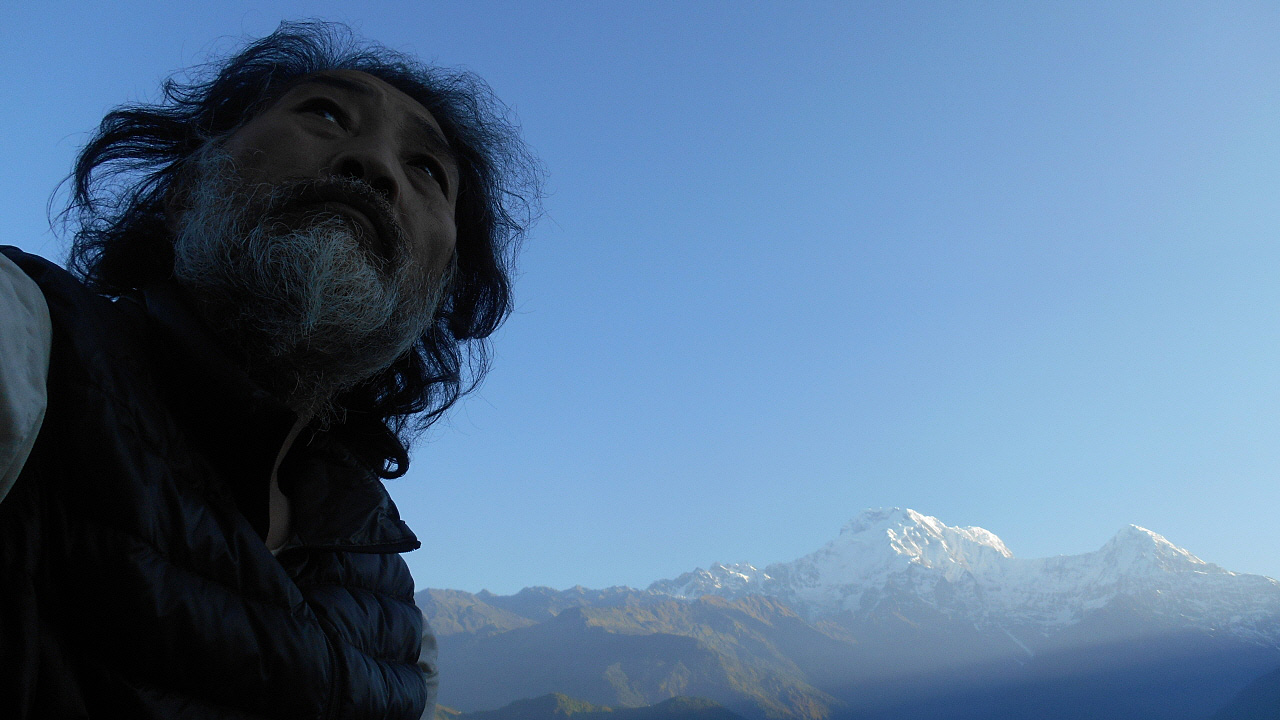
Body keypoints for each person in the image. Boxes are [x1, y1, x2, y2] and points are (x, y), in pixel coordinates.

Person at [0, 21, 540, 719]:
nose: (373, 164)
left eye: (426, 171)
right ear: (187, 187)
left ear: (434, 297)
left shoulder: (400, 632)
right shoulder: (28, 345)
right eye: (325, 113)